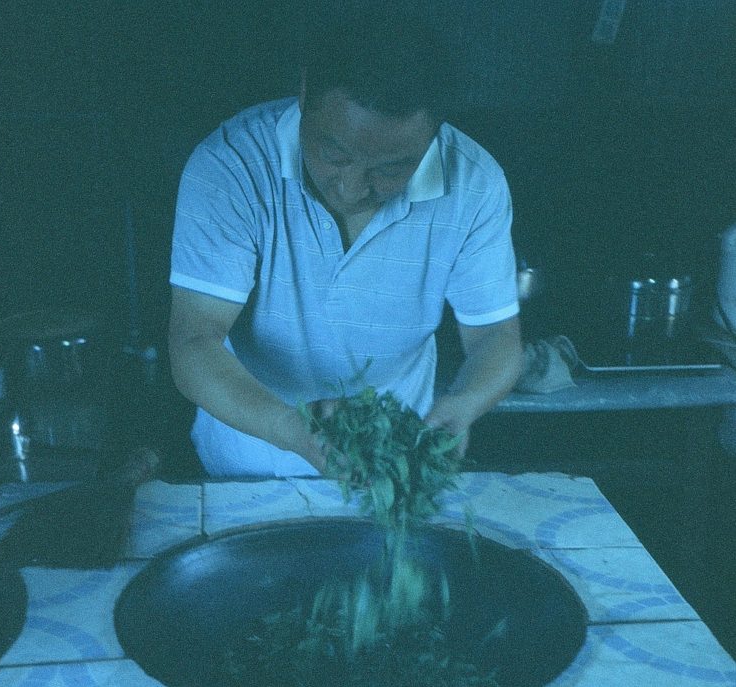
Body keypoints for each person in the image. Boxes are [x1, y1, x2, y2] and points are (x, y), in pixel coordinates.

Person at [168, 3, 523, 477]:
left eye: (389, 168)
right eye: (332, 153)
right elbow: (194, 341)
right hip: (246, 470)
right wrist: (295, 430)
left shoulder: (475, 183)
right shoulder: (230, 167)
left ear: (434, 135)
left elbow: (496, 336)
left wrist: (464, 403)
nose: (352, 188)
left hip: (394, 466)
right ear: (303, 92)